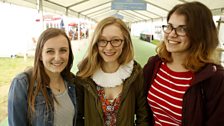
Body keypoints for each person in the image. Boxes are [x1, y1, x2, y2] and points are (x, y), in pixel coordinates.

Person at [143, 1, 224, 126]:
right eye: (170, 26)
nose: (172, 34)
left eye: (182, 29)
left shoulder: (215, 79)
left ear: (200, 34)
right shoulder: (155, 64)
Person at [76, 16, 151, 126]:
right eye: (102, 40)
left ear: (125, 42)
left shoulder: (134, 72)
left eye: (116, 40)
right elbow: (78, 116)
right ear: (96, 42)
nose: (109, 47)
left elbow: (143, 116)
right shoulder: (85, 74)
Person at [8, 28, 79, 126]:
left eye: (63, 50)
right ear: (40, 55)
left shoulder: (72, 81)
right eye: (50, 51)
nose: (57, 58)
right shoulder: (22, 83)